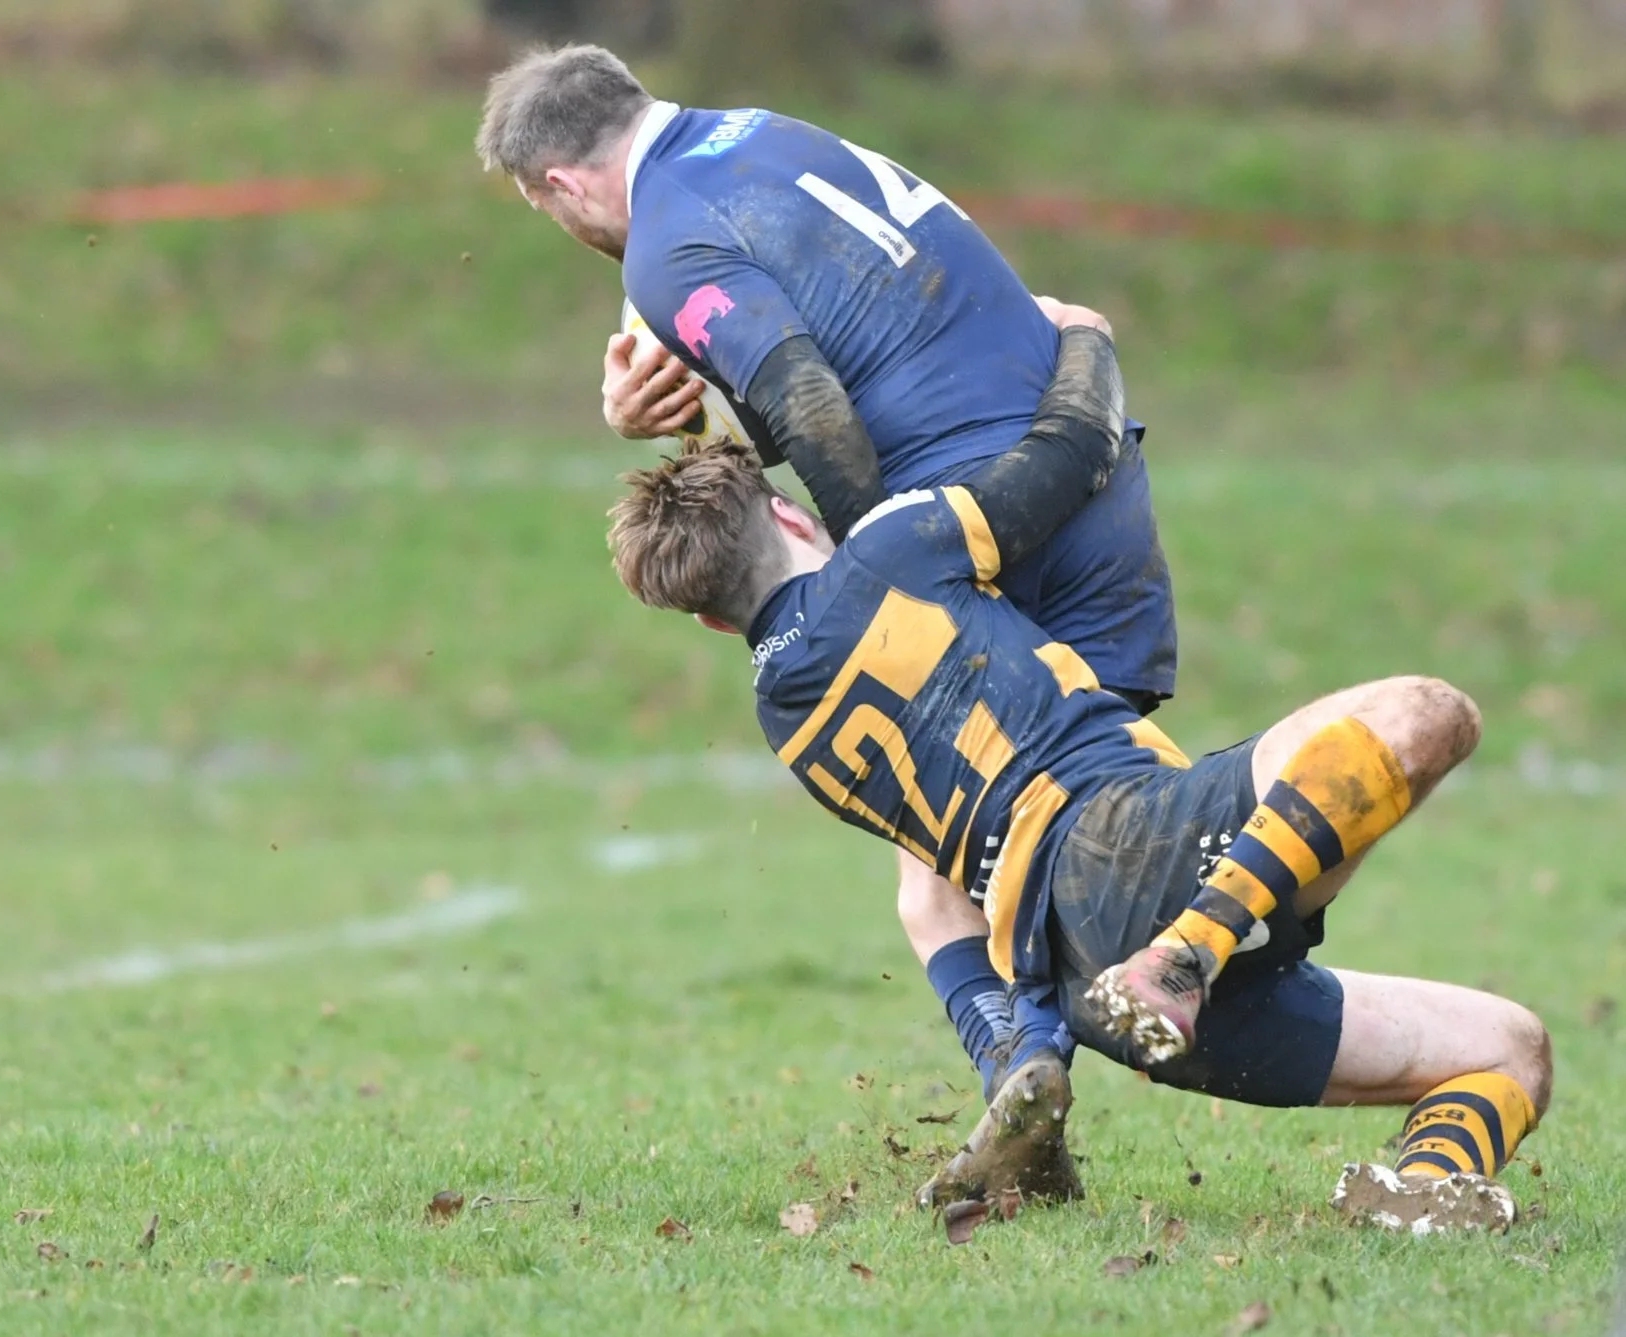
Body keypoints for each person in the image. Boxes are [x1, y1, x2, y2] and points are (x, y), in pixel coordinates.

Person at [601, 349, 1551, 1235]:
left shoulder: (788, 721)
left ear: (711, 622)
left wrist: (1025, 1044)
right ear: (795, 518)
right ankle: (1187, 955)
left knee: (1511, 1048)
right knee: (1428, 713)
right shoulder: (888, 549)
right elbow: (1067, 451)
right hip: (1127, 854)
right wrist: (1082, 334)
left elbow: (929, 902)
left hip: (1075, 983)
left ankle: (1421, 1190)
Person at [477, 41, 1177, 1154]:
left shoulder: (666, 240)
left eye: (543, 212)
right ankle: (1049, 1062)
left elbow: (807, 401)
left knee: (982, 871)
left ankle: (1039, 1057)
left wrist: (877, 588)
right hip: (1086, 475)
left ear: (557, 185)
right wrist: (636, 405)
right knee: (1025, 845)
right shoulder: (756, 134)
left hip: (993, 516)